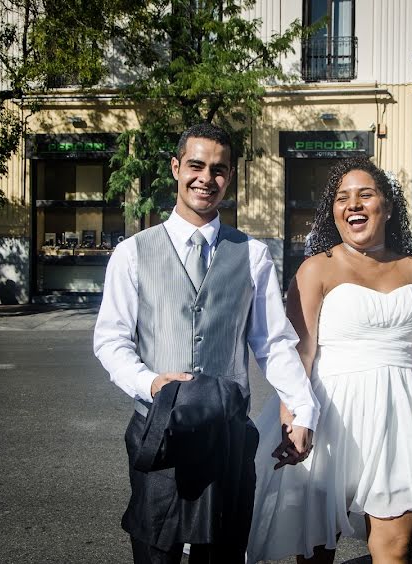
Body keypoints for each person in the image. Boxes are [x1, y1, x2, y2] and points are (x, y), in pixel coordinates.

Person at [93, 123, 319, 564]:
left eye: (218, 170)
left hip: (228, 436)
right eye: (195, 166)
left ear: (229, 177)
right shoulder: (132, 253)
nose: (206, 178)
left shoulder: (252, 255)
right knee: (155, 554)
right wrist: (151, 383)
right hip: (159, 433)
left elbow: (272, 342)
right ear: (176, 168)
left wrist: (303, 409)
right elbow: (111, 340)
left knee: (223, 555)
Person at [246, 157, 412, 564]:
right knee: (316, 550)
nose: (353, 204)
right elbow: (301, 352)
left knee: (395, 547)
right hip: (332, 417)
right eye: (342, 198)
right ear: (333, 212)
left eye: (365, 195)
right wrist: (293, 420)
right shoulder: (317, 269)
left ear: (385, 206)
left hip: (398, 418)